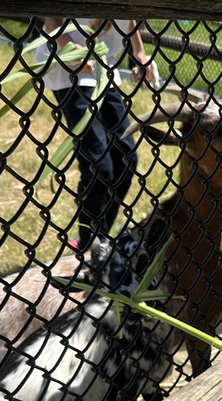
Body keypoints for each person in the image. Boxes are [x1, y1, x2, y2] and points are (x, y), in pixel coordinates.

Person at [35, 18, 152, 250]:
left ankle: (99, 239)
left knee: (127, 158)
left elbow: (128, 16)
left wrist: (139, 51)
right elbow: (52, 20)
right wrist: (72, 50)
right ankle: (87, 240)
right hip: (68, 71)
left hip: (104, 71)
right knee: (99, 165)